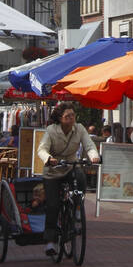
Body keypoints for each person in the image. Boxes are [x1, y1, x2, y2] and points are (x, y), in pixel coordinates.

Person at [37, 103, 100, 256]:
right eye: (67, 116)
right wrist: (49, 159)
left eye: (73, 115)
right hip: (53, 170)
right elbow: (42, 149)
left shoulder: (79, 128)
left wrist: (93, 156)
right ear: (60, 118)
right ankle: (50, 242)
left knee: (81, 178)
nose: (72, 118)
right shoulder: (51, 130)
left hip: (71, 166)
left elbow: (88, 144)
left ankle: (77, 207)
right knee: (53, 205)